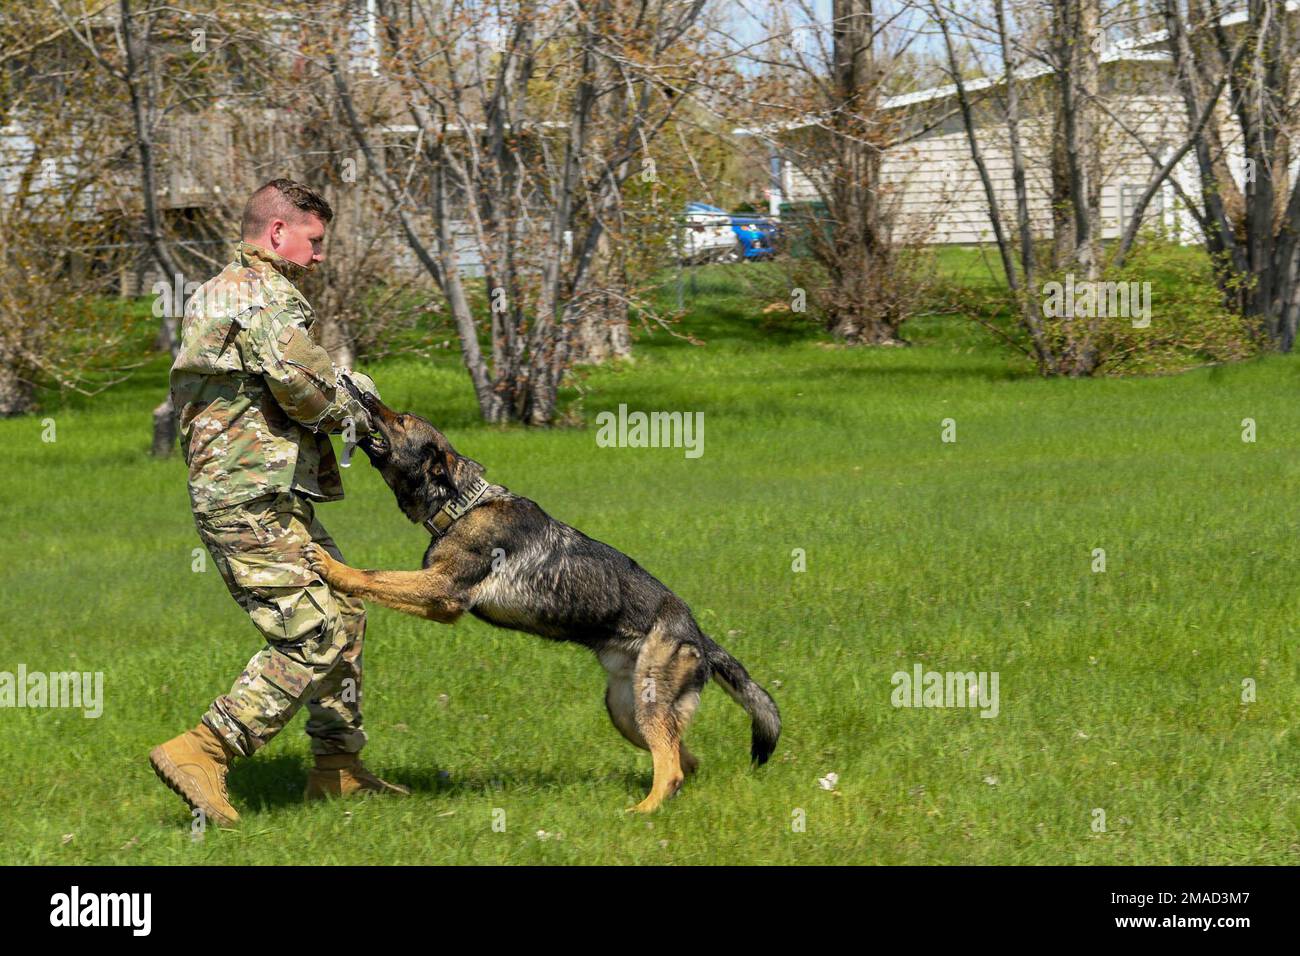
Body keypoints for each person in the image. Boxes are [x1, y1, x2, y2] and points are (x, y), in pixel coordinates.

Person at [149, 178, 408, 829]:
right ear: (277, 233)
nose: (320, 256)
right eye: (314, 241)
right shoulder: (264, 297)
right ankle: (205, 749)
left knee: (344, 610)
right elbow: (306, 391)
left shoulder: (226, 290)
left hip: (265, 497)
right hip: (247, 503)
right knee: (313, 632)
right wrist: (362, 404)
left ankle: (337, 769)